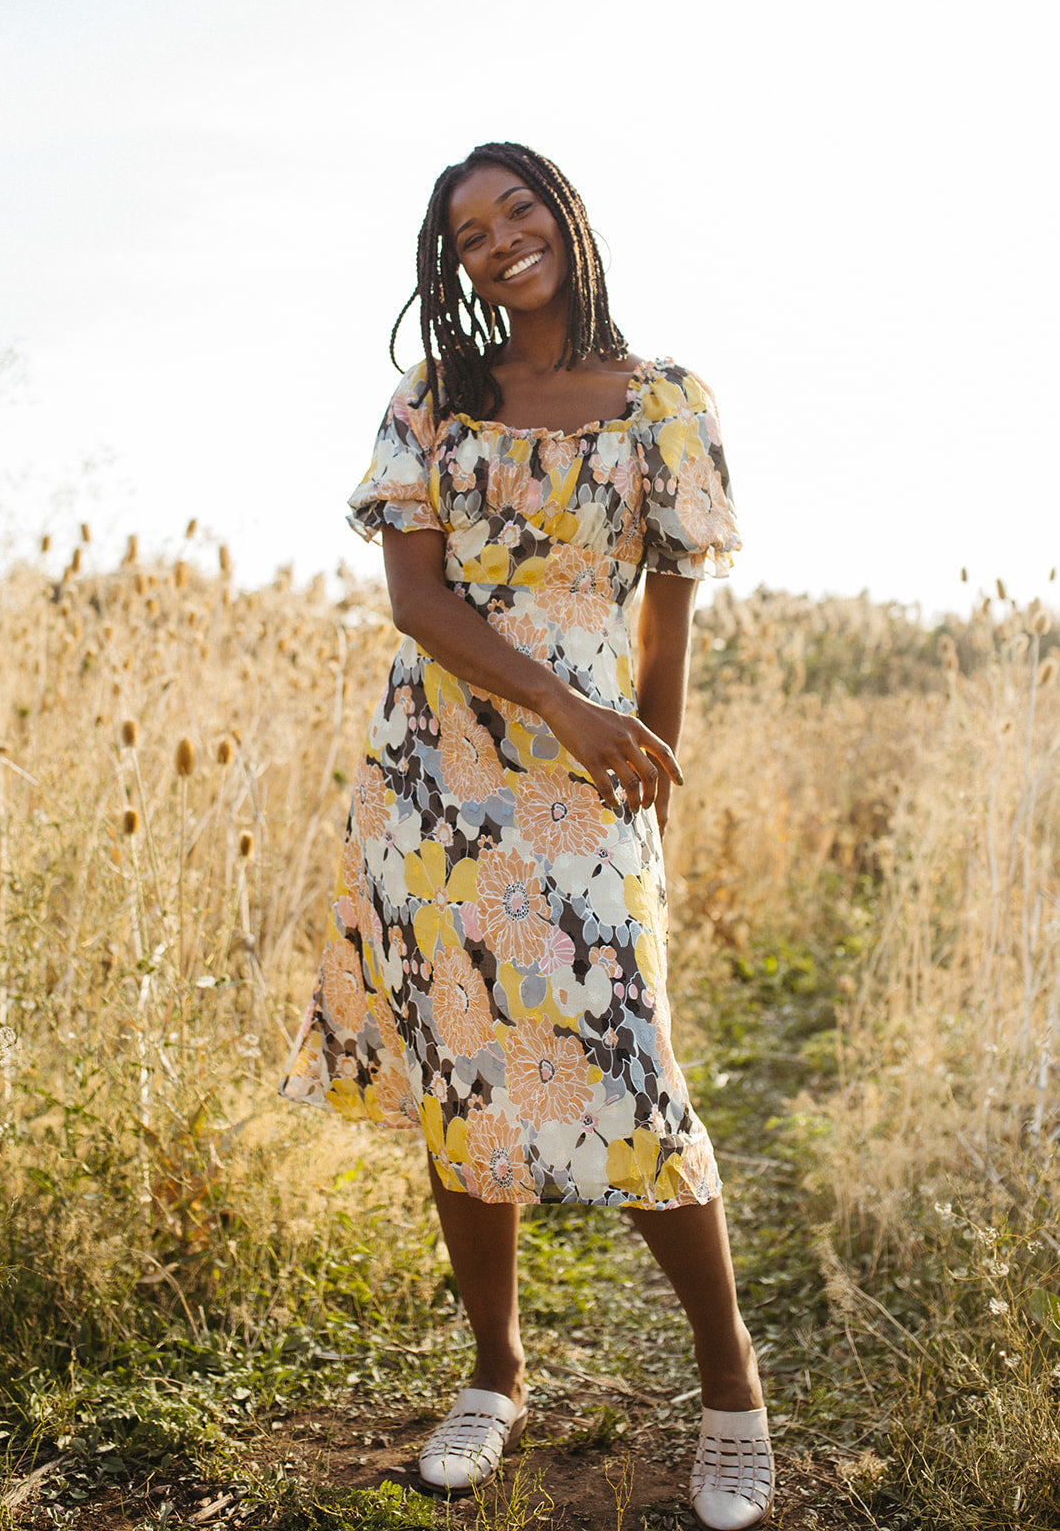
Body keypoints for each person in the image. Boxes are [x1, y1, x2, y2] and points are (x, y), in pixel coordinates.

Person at [281, 141, 774, 1530]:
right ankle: (496, 1374)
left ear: (566, 214)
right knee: (461, 1065)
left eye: (520, 210)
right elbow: (417, 600)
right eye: (470, 233)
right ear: (453, 267)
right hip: (436, 775)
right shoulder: (435, 401)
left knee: (632, 1065)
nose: (502, 242)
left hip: (589, 787)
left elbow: (672, 613)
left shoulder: (667, 403)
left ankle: (730, 1384)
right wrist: (559, 703)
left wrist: (651, 771)